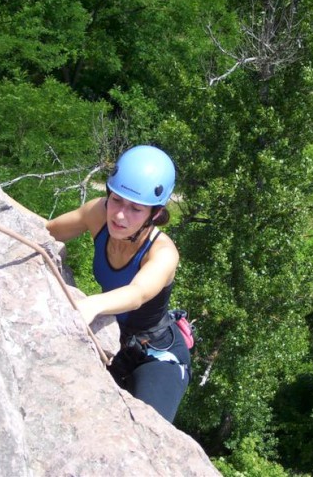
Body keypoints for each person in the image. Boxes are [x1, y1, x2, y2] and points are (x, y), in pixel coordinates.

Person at [45, 145, 190, 423]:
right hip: (115, 341)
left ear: (155, 214)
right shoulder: (97, 213)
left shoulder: (162, 253)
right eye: (116, 200)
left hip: (157, 355)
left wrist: (93, 304)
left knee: (149, 431)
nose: (120, 215)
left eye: (136, 208)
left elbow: (137, 293)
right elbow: (45, 231)